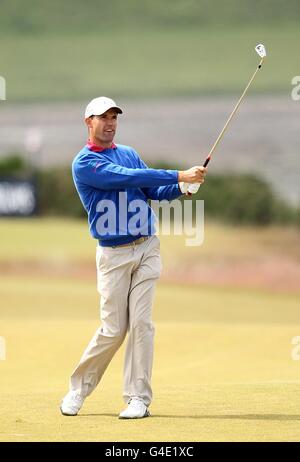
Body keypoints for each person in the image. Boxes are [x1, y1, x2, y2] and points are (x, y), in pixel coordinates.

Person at [60, 96, 207, 419]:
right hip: (113, 255)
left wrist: (183, 190)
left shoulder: (128, 152)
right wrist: (179, 175)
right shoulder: (85, 164)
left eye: (114, 117)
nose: (110, 123)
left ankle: (138, 398)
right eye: (103, 118)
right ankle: (78, 390)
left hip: (147, 248)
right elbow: (127, 179)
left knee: (142, 324)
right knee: (114, 329)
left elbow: (150, 191)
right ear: (89, 122)